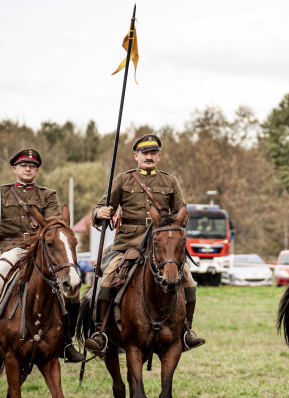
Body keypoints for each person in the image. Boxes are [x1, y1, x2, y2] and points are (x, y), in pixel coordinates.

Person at [84, 134, 204, 354]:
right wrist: (99, 213)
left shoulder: (170, 181)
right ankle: (100, 332)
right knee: (108, 276)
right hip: (127, 244)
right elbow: (100, 207)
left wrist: (170, 222)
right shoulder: (123, 179)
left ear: (159, 156)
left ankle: (186, 332)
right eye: (144, 153)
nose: (149, 157)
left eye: (153, 153)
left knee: (188, 280)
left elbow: (182, 215)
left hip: (160, 246)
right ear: (136, 156)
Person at [0, 148, 84, 365]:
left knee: (72, 287)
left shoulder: (47, 195)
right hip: (6, 250)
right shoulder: (0, 193)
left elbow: (54, 224)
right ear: (15, 169)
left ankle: (67, 343)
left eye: (32, 166)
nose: (28, 169)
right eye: (23, 165)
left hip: (38, 250)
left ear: (37, 170)